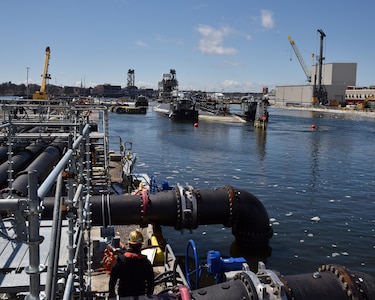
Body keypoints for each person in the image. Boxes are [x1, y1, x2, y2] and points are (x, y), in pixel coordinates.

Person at [108, 230, 155, 297]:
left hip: (124, 296)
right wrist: (148, 296)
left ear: (129, 244)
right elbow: (151, 282)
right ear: (140, 246)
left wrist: (112, 292)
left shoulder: (121, 261)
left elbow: (113, 278)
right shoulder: (145, 263)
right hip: (140, 295)